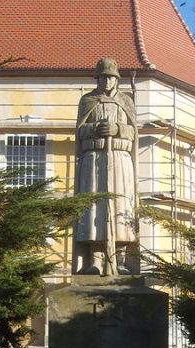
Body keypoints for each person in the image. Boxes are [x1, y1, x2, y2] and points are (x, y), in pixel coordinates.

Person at [72, 58, 139, 275]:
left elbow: (134, 133)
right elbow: (79, 133)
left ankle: (119, 260)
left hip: (120, 160)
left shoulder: (126, 101)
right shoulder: (88, 101)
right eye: (103, 77)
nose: (107, 81)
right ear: (98, 79)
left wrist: (118, 129)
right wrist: (95, 129)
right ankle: (95, 260)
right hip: (94, 160)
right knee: (93, 210)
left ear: (116, 79)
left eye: (111, 77)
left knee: (122, 208)